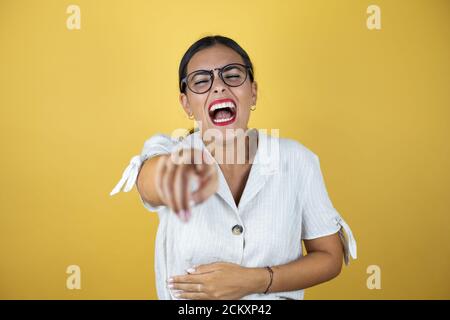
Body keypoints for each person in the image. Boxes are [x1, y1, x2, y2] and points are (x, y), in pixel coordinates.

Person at [110, 35, 357, 300]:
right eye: (202, 81)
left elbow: (329, 257)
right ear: (186, 104)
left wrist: (256, 280)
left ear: (253, 91)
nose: (218, 86)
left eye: (232, 75)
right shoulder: (170, 152)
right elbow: (151, 185)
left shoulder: (297, 159)